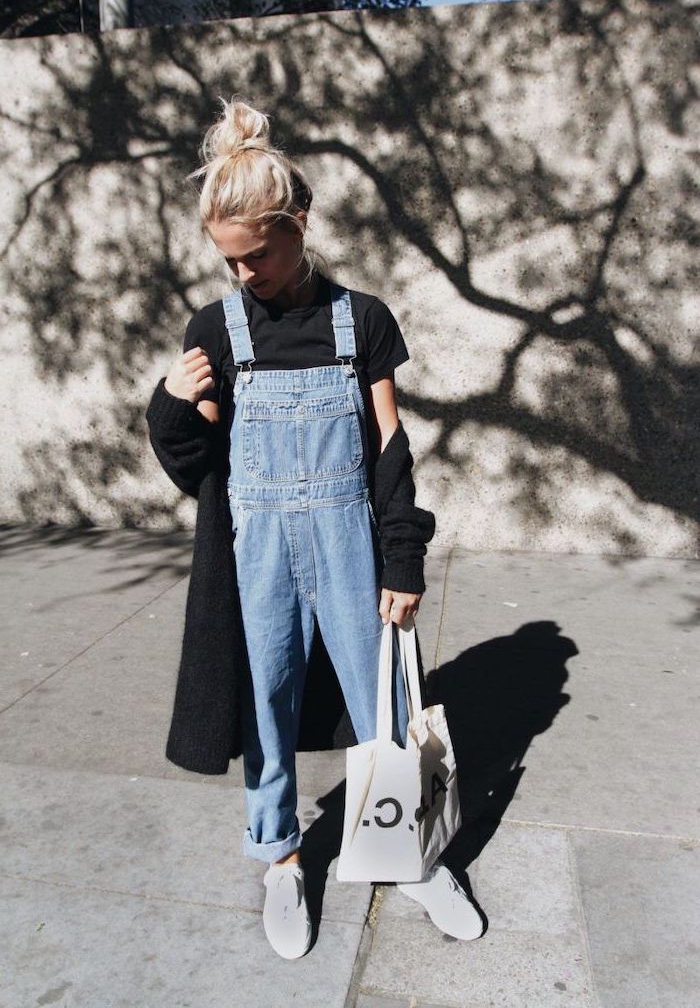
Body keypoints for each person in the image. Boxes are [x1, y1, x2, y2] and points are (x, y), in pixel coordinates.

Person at [154, 96, 483, 958]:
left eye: (256, 255)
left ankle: (411, 854)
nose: (244, 276)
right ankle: (280, 856)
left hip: (350, 542)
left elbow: (390, 451)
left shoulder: (362, 322)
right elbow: (198, 470)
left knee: (389, 698)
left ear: (299, 224)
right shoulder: (215, 330)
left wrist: (403, 560)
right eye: (229, 261)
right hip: (255, 548)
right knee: (265, 702)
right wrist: (171, 406)